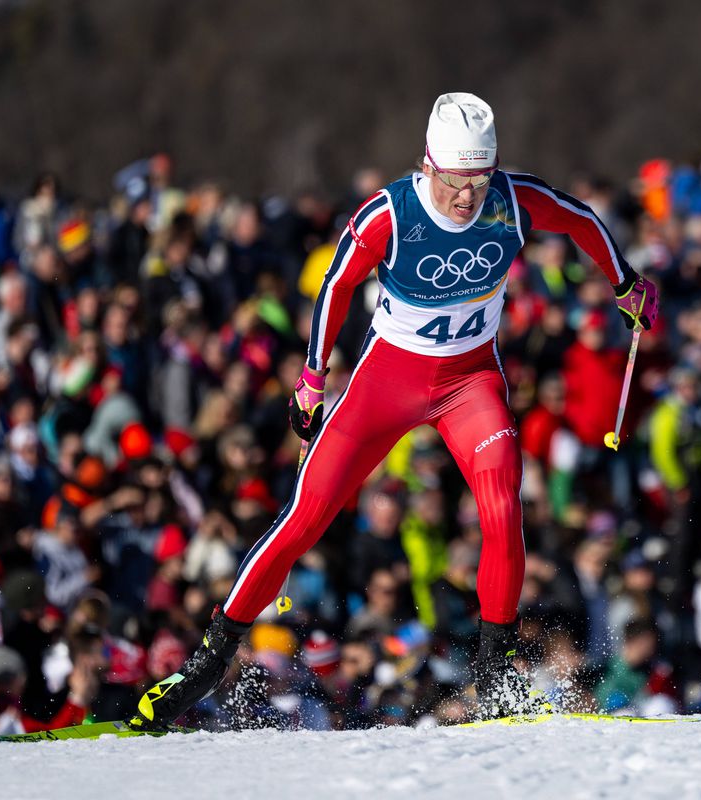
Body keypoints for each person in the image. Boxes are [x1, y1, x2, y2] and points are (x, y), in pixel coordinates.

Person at [129, 92, 658, 730]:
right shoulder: (391, 212)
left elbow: (581, 220)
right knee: (305, 516)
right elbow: (335, 285)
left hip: (469, 382)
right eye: (455, 181)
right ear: (427, 164)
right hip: (388, 381)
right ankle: (207, 665)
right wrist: (311, 379)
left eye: (479, 180)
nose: (467, 197)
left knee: (502, 504)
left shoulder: (512, 201)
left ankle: (492, 671)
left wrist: (625, 284)